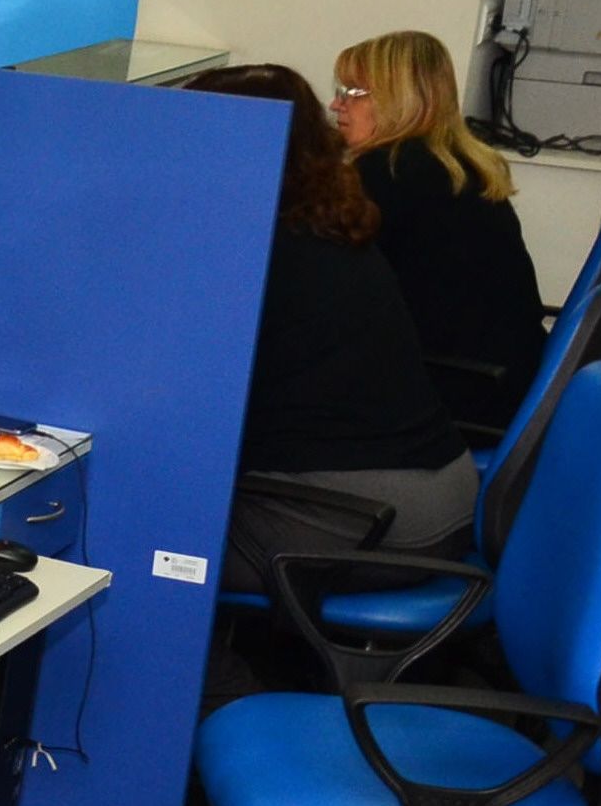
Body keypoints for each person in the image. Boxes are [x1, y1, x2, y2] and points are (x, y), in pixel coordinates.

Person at [206, 64, 480, 596]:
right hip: (439, 493)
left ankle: (220, 663)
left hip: (368, 520)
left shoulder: (263, 254)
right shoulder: (325, 229)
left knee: (132, 538)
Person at [330, 30, 544, 430]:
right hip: (507, 383)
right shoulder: (461, 163)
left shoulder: (387, 174)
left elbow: (330, 290)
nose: (336, 104)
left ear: (397, 99)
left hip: (453, 394)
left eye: (354, 92)